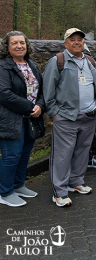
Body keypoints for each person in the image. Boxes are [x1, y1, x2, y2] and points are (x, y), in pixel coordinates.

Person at [43, 28, 96, 207]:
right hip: (67, 117)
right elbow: (48, 90)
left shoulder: (90, 61)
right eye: (73, 39)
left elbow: (95, 85)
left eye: (80, 39)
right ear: (66, 43)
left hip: (89, 116)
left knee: (82, 152)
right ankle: (59, 192)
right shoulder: (58, 61)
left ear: (84, 43)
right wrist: (54, 113)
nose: (77, 42)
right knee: (62, 155)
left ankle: (76, 182)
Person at [0, 31, 45, 207]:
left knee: (25, 153)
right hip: (11, 119)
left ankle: (18, 185)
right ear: (7, 47)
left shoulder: (32, 65)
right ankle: (5, 191)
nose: (19, 46)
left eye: (22, 43)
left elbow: (41, 90)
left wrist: (40, 106)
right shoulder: (3, 67)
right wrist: (30, 107)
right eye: (14, 43)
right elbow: (3, 94)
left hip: (31, 119)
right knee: (11, 155)